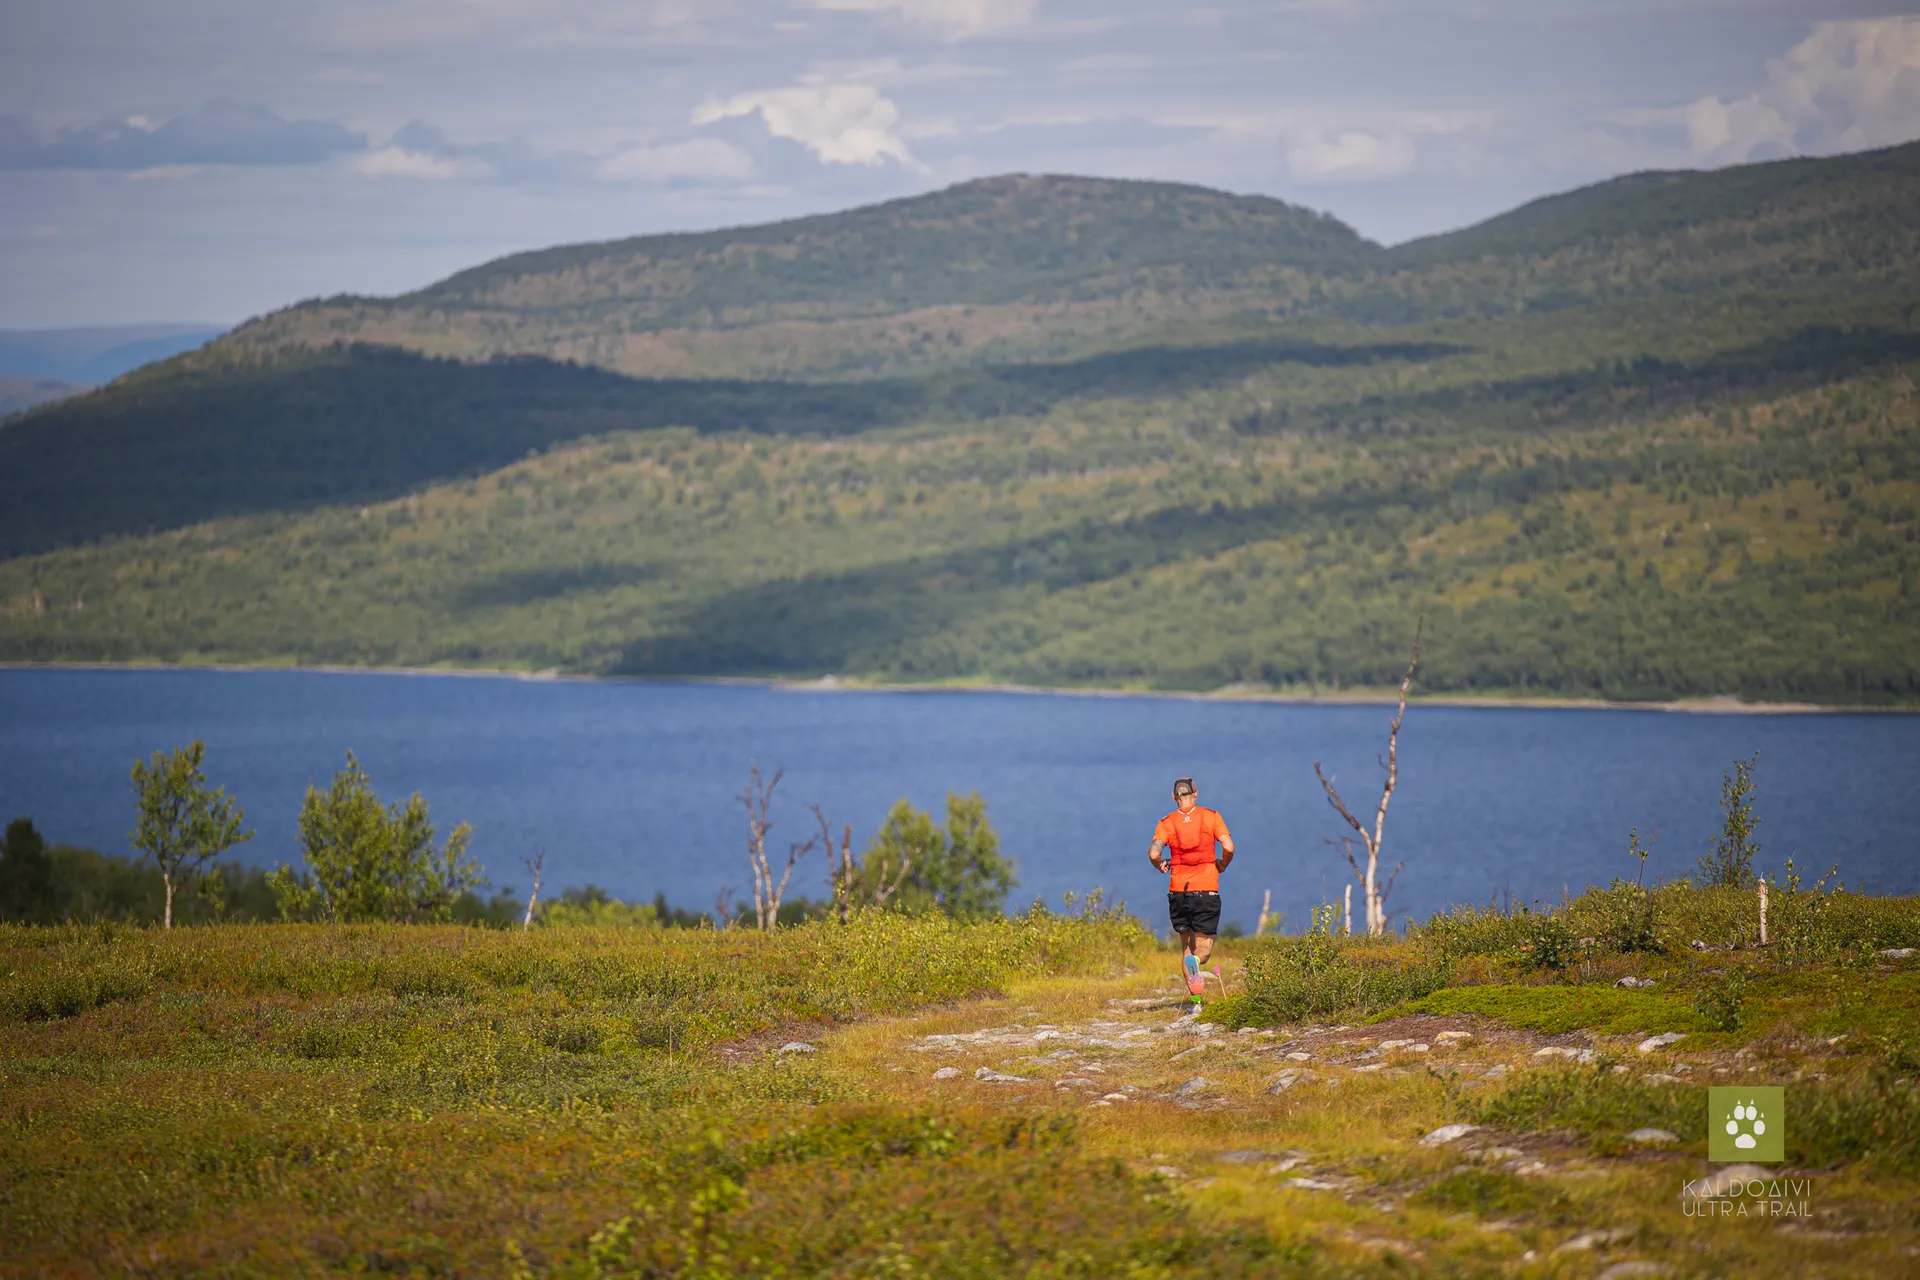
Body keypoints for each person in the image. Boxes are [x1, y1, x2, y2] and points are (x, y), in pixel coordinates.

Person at [1148, 776, 1234, 1012]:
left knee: (1186, 945)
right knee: (1202, 949)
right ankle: (1196, 963)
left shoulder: (1166, 822)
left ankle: (1195, 1004)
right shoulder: (1211, 816)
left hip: (1178, 891)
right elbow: (1228, 847)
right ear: (1196, 794)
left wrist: (1160, 866)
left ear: (1174, 797)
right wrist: (1223, 865)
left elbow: (1154, 852)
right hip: (1206, 888)